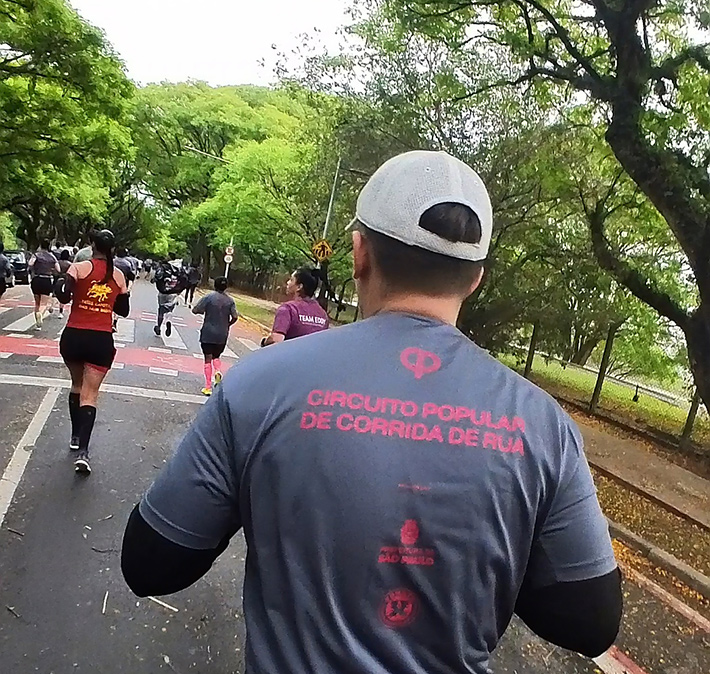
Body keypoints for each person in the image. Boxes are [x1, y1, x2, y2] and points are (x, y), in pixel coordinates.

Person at [121, 151, 622, 673]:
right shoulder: (543, 425)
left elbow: (150, 564)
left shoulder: (259, 383)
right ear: (476, 278)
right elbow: (591, 622)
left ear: (359, 254)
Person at [55, 229, 129, 474]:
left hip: (74, 336)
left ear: (92, 246)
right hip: (100, 340)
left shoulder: (78, 268)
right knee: (90, 395)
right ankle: (83, 453)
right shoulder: (118, 275)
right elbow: (124, 310)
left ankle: (75, 436)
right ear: (112, 248)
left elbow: (63, 297)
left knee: (76, 385)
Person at [192, 276, 238, 396]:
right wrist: (228, 324)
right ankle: (217, 371)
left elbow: (196, 310)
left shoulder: (208, 297)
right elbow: (235, 316)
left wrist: (202, 311)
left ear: (214, 285)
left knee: (207, 358)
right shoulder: (230, 301)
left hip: (208, 332)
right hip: (222, 334)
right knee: (216, 356)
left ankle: (208, 386)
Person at [261, 267, 329, 346]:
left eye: (291, 280)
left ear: (299, 287)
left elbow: (276, 340)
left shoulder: (288, 309)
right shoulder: (323, 315)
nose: (287, 282)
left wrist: (265, 342)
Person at [28, 239, 59, 329]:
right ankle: (40, 314)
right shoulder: (52, 257)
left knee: (37, 303)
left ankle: (38, 324)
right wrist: (51, 269)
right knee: (43, 303)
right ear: (49, 246)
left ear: (40, 245)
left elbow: (30, 263)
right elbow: (58, 269)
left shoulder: (36, 255)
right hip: (46, 279)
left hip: (36, 279)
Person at [152, 257, 186, 337]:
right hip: (173, 293)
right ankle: (168, 321)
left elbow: (157, 278)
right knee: (170, 310)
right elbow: (184, 281)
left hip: (163, 292)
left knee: (161, 310)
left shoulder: (163, 268)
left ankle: (158, 327)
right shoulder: (178, 270)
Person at [52, 249, 72, 317]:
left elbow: (54, 271)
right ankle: (60, 312)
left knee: (54, 295)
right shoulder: (69, 264)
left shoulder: (58, 262)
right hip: (65, 281)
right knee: (62, 296)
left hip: (57, 279)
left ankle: (51, 306)